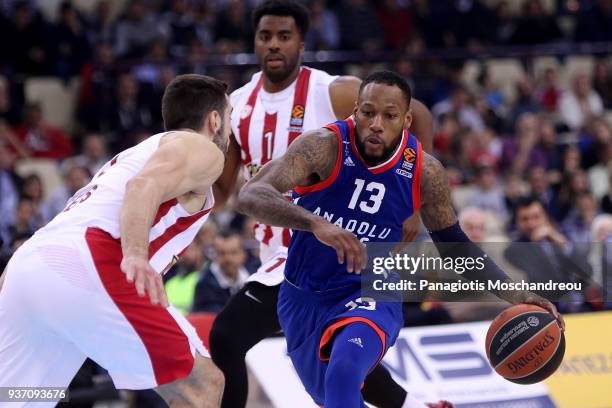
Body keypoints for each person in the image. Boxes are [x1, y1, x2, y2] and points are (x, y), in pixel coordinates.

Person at [237, 70, 564, 408]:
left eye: (389, 115)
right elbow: (251, 195)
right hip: (301, 296)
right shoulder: (324, 146)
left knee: (345, 370)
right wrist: (315, 223)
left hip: (371, 288)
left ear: (406, 119)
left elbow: (454, 245)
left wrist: (516, 293)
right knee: (334, 397)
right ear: (355, 111)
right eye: (367, 112)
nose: (376, 123)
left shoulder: (425, 172)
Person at [210, 2, 434, 407]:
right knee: (343, 359)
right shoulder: (237, 105)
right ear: (255, 42)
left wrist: (414, 197)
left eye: (284, 36)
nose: (274, 45)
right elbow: (224, 188)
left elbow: (416, 113)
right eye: (265, 36)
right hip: (279, 257)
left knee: (227, 335)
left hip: (327, 250)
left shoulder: (332, 90)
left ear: (301, 42)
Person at [0, 74, 231, 407]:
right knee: (202, 386)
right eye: (231, 118)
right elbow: (143, 187)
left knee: (19, 398)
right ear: (214, 119)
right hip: (93, 262)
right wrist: (135, 254)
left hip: (28, 267)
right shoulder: (200, 147)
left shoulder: (127, 157)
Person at [193, 231, 250, 313]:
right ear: (215, 255)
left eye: (233, 252)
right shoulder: (204, 284)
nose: (228, 259)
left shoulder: (253, 279)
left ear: (243, 254)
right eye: (222, 253)